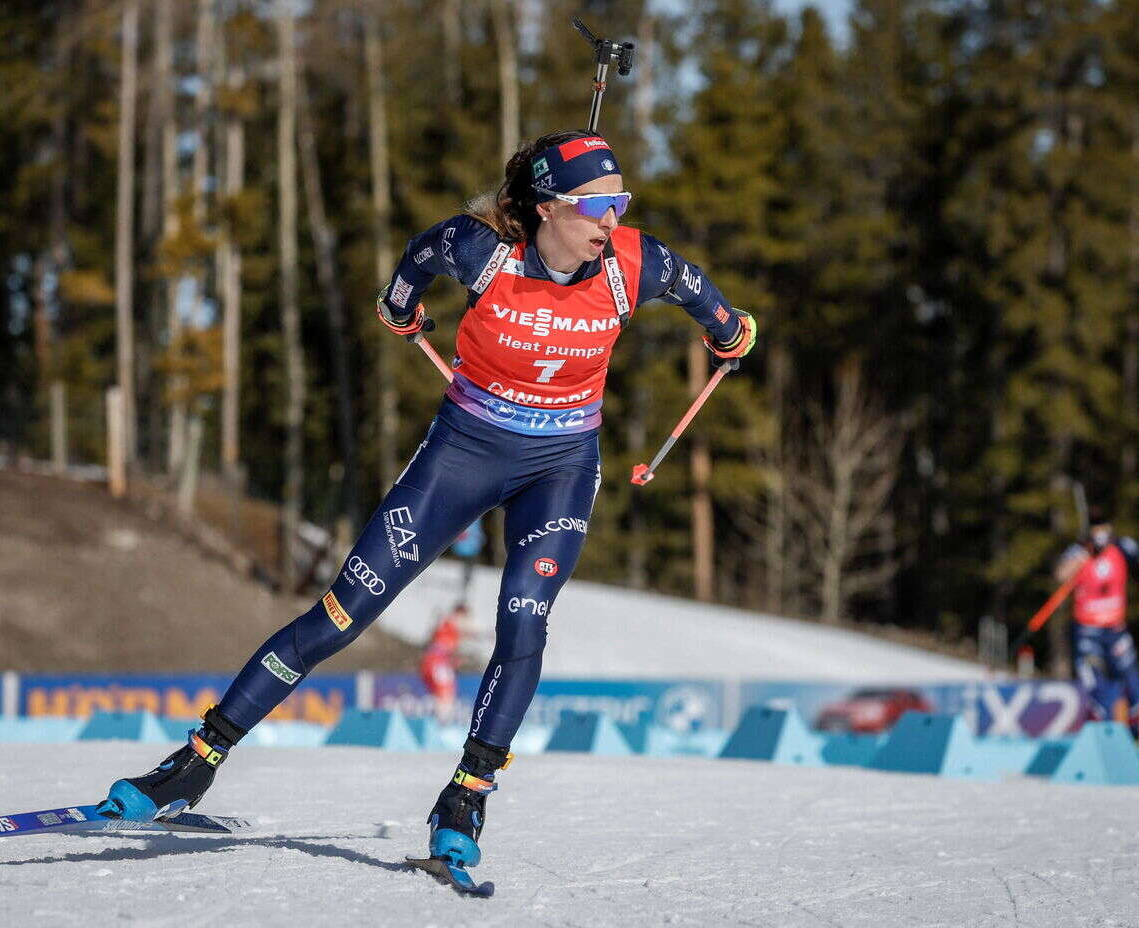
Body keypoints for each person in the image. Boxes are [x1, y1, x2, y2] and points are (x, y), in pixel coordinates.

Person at [97, 129, 757, 875]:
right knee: (342, 614)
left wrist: (731, 335)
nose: (614, 219)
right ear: (546, 209)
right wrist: (399, 308)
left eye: (621, 201)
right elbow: (415, 261)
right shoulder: (480, 250)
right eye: (598, 204)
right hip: (463, 454)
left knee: (523, 618)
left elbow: (710, 303)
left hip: (562, 465)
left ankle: (466, 798)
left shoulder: (634, 263)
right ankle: (194, 763)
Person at [1054, 506, 1139, 734]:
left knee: (1132, 681)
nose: (1101, 534)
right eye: (1097, 529)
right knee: (1097, 686)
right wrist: (1084, 556)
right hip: (1088, 631)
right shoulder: (1079, 551)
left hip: (1115, 631)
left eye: (1104, 528)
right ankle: (1102, 734)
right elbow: (1061, 575)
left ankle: (1136, 734)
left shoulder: (1121, 546)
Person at [420, 603, 470, 722]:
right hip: (437, 664)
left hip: (437, 663)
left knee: (446, 694)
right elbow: (440, 645)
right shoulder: (450, 623)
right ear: (460, 614)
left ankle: (440, 722)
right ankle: (440, 724)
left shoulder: (450, 627)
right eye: (465, 618)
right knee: (445, 694)